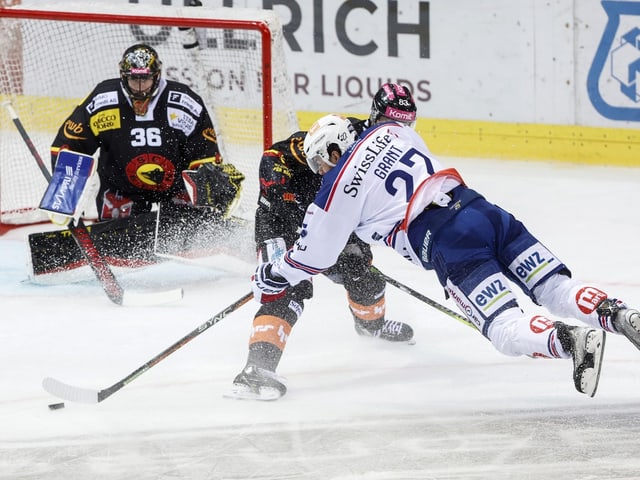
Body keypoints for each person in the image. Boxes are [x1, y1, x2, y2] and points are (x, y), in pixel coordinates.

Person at [251, 82, 640, 398]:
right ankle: (620, 314)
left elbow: (313, 256)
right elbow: (393, 104)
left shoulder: (336, 185)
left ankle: (569, 340)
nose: (320, 171)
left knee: (505, 328)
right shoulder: (391, 130)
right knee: (556, 287)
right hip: (485, 212)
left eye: (321, 161)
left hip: (448, 241)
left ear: (333, 150)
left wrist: (274, 271)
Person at [228, 114, 415, 401]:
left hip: (325, 221)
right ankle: (257, 368)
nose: (320, 171)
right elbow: (293, 218)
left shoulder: (352, 147)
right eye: (315, 164)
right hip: (279, 226)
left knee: (360, 270)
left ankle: (371, 326)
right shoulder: (276, 161)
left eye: (323, 164)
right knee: (286, 287)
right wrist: (305, 259)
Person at [50, 43, 244, 223]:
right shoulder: (103, 100)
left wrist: (211, 187)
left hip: (176, 189)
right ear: (124, 76)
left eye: (146, 79)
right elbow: (69, 145)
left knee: (187, 241)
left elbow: (204, 153)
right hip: (121, 189)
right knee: (118, 249)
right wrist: (64, 193)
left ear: (157, 75)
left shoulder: (184, 103)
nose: (141, 87)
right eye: (135, 79)